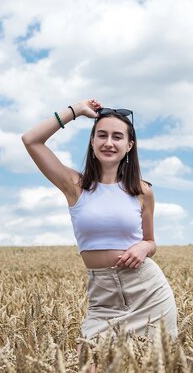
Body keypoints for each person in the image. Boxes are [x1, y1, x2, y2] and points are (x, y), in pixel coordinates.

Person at [21, 99, 178, 340]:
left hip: (148, 292)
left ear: (129, 145)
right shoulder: (76, 186)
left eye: (117, 137)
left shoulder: (142, 191)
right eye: (102, 135)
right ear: (92, 142)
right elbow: (31, 140)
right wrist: (75, 111)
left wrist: (143, 247)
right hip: (102, 298)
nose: (108, 142)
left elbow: (151, 242)